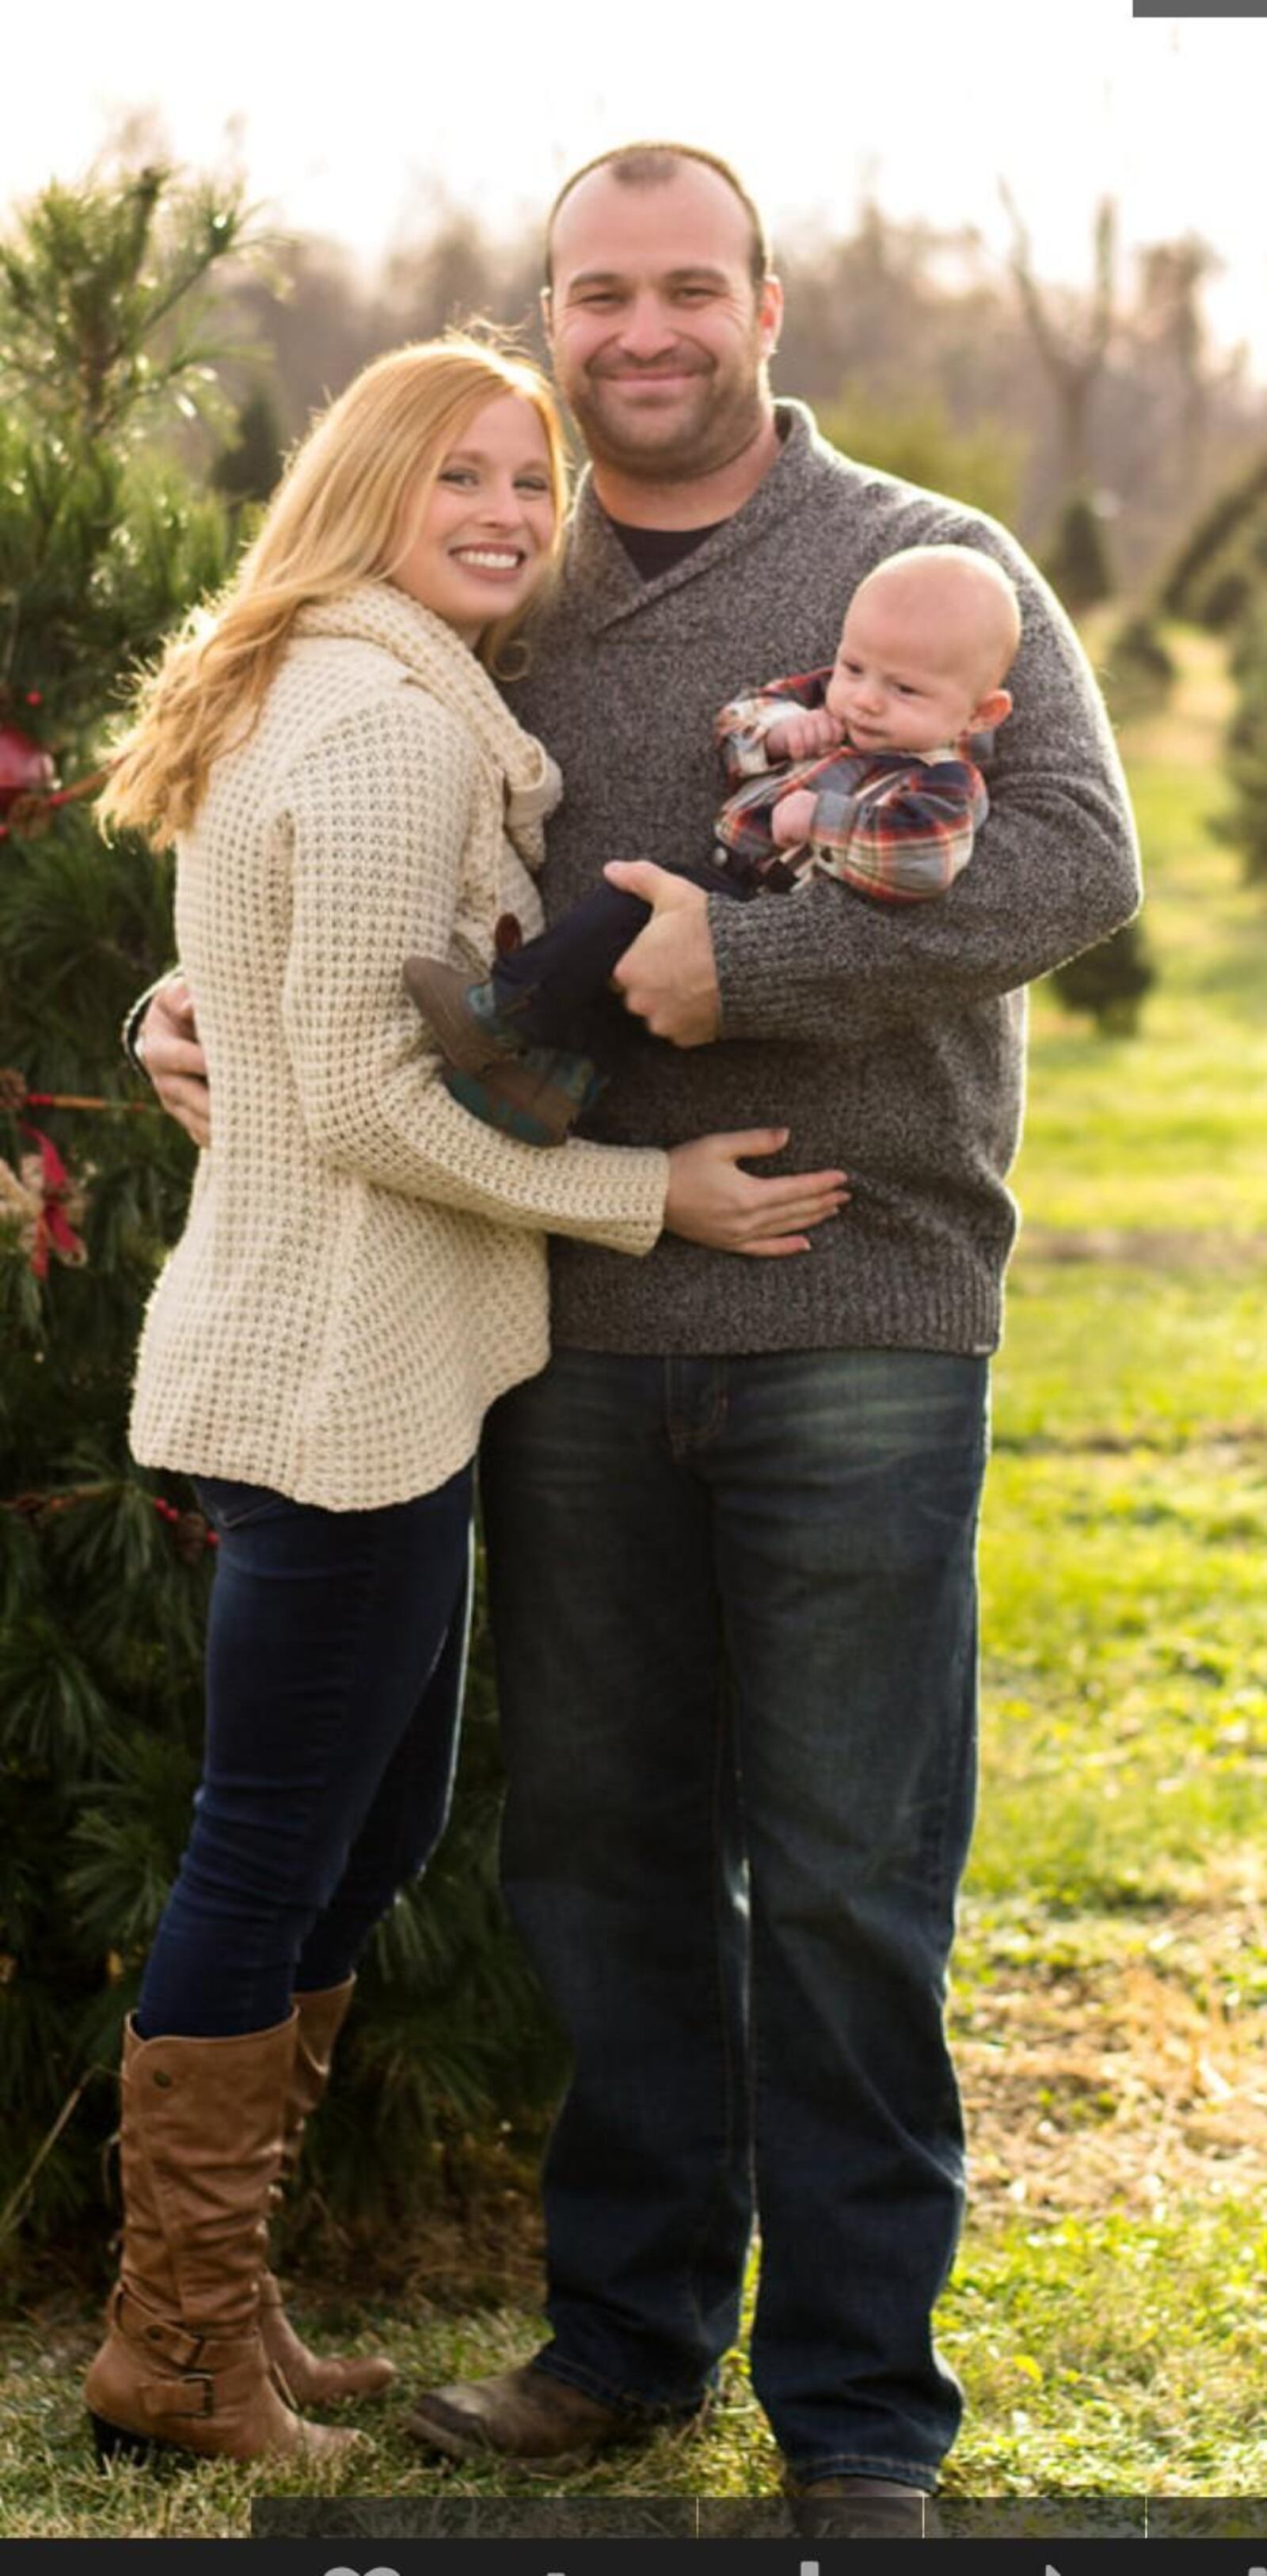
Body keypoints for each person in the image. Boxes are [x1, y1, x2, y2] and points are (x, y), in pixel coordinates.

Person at [135, 143, 1141, 2520]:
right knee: (593, 1848)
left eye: (688, 286)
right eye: (599, 294)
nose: (641, 331)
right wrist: (223, 1000)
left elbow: (1069, 862)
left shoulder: (915, 561)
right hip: (566, 1310)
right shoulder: (503, 571)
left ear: (766, 306)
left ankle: (860, 2411)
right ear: (554, 318)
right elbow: (354, 852)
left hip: (857, 1297)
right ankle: (622, 2335)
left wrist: (756, 959)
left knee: (846, 1870)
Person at [90, 329, 847, 2473]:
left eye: (532, 479)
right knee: (275, 1842)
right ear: (370, 495)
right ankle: (176, 2338)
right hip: (347, 1369)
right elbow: (347, 1097)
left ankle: (225, 2304)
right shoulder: (386, 728)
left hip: (371, 1354)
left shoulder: (373, 690)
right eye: (466, 481)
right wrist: (649, 1193)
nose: (513, 511)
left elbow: (289, 1017)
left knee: (372, 1826)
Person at [403, 544, 1019, 1145]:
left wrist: (820, 817)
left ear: (980, 714)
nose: (865, 697)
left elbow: (921, 861)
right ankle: (549, 1089)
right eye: (854, 668)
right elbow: (737, 718)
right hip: (728, 879)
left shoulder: (942, 782)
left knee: (621, 906)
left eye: (905, 690)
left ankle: (498, 1009)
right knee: (612, 984)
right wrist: (778, 735)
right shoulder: (830, 701)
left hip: (771, 916)